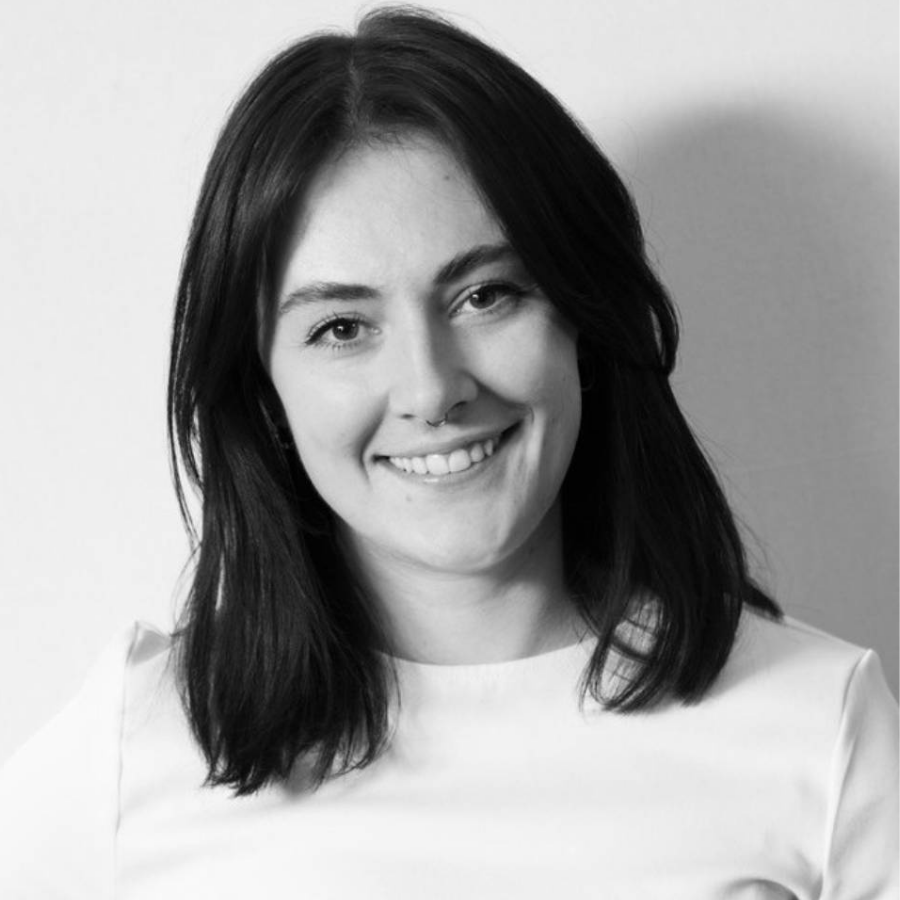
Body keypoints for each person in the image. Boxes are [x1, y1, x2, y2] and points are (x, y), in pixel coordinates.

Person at [0, 7, 896, 898]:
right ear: (263, 390)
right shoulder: (131, 753)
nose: (431, 390)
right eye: (342, 327)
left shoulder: (821, 729)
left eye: (485, 296)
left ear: (585, 322)